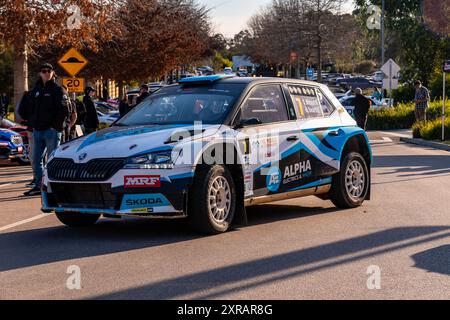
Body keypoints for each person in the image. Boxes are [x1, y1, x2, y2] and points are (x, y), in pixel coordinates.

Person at [20, 63, 69, 196]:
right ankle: (39, 186)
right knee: (36, 160)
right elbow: (27, 109)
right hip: (37, 131)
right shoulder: (36, 90)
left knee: (52, 160)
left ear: (53, 73)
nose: (46, 73)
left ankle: (54, 186)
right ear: (40, 73)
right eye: (43, 71)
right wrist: (33, 123)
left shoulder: (58, 90)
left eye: (49, 71)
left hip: (52, 132)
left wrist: (55, 126)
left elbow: (65, 110)